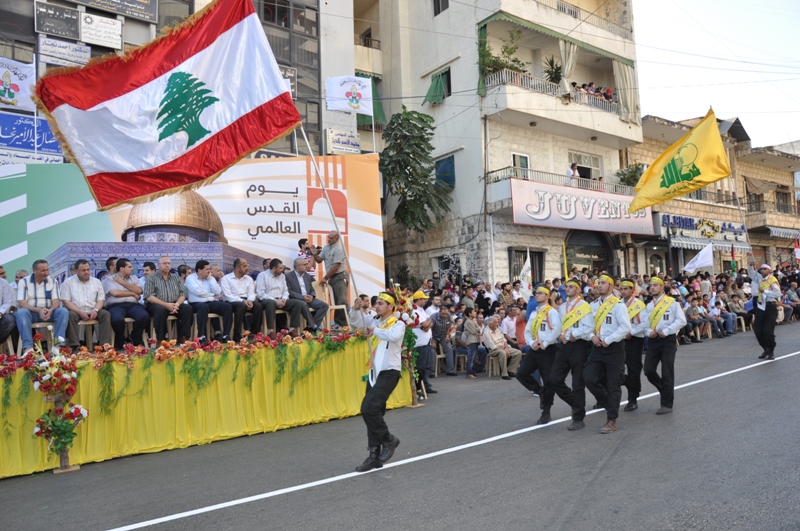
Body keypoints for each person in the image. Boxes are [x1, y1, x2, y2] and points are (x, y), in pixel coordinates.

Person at [356, 291, 405, 473]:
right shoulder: (375, 321)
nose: (377, 306)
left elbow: (391, 336)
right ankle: (374, 456)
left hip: (389, 372)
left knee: (368, 408)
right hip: (374, 373)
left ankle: (389, 439)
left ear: (391, 306)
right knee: (373, 412)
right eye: (376, 303)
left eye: (381, 303)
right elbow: (357, 323)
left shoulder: (398, 324)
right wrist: (355, 310)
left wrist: (374, 330)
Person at [584, 275, 631, 434]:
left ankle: (612, 419)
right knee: (589, 377)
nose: (599, 286)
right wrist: (592, 337)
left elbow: (625, 328)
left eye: (603, 283)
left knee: (613, 384)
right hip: (597, 347)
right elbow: (588, 325)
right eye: (598, 283)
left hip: (614, 348)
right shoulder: (593, 305)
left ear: (611, 286)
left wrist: (609, 340)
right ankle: (607, 402)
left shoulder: (618, 305)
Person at [547, 279, 595, 430]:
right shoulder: (563, 307)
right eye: (566, 287)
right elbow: (562, 325)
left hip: (578, 345)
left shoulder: (584, 306)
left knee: (577, 383)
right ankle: (576, 403)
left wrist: (575, 334)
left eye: (571, 287)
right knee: (554, 379)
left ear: (579, 289)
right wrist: (562, 334)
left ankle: (578, 417)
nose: (567, 289)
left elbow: (589, 327)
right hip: (564, 346)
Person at [643, 277, 687, 415]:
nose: (652, 288)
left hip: (668, 339)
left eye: (655, 285)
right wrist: (649, 332)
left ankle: (666, 404)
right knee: (648, 370)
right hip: (654, 340)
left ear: (662, 287)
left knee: (667, 371)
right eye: (651, 286)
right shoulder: (649, 306)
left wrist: (667, 331)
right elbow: (644, 325)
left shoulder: (671, 303)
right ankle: (664, 388)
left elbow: (682, 320)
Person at [519, 286, 562, 424]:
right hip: (535, 348)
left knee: (548, 380)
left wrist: (546, 342)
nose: (536, 295)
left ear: (547, 296)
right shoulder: (534, 313)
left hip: (547, 349)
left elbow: (557, 329)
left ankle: (546, 412)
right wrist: (531, 342)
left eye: (540, 293)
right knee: (521, 373)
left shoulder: (551, 312)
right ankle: (540, 391)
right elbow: (527, 331)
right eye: (535, 293)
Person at [15, 260, 69, 351]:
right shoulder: (24, 282)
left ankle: (57, 346)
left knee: (63, 311)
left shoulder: (52, 281)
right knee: (21, 312)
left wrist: (51, 310)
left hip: (49, 313)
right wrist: (38, 310)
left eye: (47, 270)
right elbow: (22, 303)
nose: (46, 273)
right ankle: (28, 348)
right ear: (34, 271)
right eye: (43, 271)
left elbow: (56, 301)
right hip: (31, 314)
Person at [61, 259, 113, 351]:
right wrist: (80, 312)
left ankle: (104, 345)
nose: (86, 272)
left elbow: (101, 299)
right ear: (76, 271)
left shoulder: (96, 282)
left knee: (105, 314)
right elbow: (66, 301)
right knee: (70, 315)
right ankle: (75, 346)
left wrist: (95, 310)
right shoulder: (68, 282)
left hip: (93, 309)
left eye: (88, 269)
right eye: (83, 270)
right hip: (76, 310)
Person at [143, 256, 194, 342]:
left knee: (187, 308)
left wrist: (176, 305)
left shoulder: (176, 278)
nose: (167, 265)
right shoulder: (151, 278)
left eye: (169, 263)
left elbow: (183, 293)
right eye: (164, 263)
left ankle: (184, 337)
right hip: (156, 305)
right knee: (160, 310)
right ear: (158, 265)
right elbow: (149, 296)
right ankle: (161, 339)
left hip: (174, 304)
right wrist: (166, 305)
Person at [102, 258, 149, 350]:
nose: (132, 269)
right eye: (129, 267)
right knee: (117, 320)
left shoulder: (134, 278)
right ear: (122, 268)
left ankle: (134, 338)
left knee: (144, 316)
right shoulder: (109, 279)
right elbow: (115, 293)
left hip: (132, 305)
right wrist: (132, 293)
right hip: (116, 305)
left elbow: (139, 290)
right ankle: (120, 341)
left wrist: (122, 282)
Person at [618, 279, 648, 412]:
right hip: (620, 339)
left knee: (633, 369)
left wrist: (631, 332)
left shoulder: (638, 304)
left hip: (635, 339)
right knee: (616, 369)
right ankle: (632, 385)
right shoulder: (617, 304)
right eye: (621, 289)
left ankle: (633, 398)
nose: (623, 291)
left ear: (632, 290)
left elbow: (644, 323)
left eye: (626, 289)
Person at [184, 260, 233, 342]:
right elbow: (198, 292)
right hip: (196, 303)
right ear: (199, 270)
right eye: (207, 269)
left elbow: (218, 291)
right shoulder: (190, 278)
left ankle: (226, 335)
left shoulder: (210, 278)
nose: (209, 271)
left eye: (209, 269)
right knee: (203, 307)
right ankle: (201, 336)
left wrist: (210, 279)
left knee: (227, 306)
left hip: (210, 302)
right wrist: (211, 294)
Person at [220, 259, 264, 341]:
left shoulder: (248, 279)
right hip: (232, 301)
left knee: (258, 306)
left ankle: (256, 333)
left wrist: (250, 300)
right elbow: (227, 295)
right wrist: (242, 301)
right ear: (237, 268)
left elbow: (251, 292)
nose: (247, 268)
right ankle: (237, 334)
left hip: (246, 300)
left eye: (247, 265)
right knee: (241, 305)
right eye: (244, 266)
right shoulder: (226, 278)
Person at [256, 258, 302, 335]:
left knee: (297, 303)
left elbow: (285, 291)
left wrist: (283, 299)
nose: (282, 269)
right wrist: (275, 300)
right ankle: (270, 330)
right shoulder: (262, 275)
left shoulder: (282, 276)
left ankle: (292, 329)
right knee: (271, 303)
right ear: (274, 268)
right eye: (280, 268)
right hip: (267, 300)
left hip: (281, 299)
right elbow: (261, 294)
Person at [312, 230, 349, 326]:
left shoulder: (339, 249)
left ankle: (345, 324)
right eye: (328, 237)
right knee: (335, 301)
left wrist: (325, 277)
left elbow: (336, 266)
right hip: (332, 278)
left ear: (337, 239)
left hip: (339, 276)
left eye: (331, 238)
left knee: (341, 301)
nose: (329, 239)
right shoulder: (326, 247)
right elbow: (319, 260)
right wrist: (314, 254)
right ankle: (338, 323)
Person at [748, 262, 780, 359]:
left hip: (770, 306)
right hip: (760, 306)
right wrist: (750, 266)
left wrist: (764, 291)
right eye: (761, 269)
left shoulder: (773, 281)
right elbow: (751, 273)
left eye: (764, 269)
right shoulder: (760, 279)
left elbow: (777, 294)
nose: (762, 270)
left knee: (768, 331)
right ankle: (765, 348)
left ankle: (771, 350)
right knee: (758, 330)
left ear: (770, 271)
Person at [285, 257, 328, 330]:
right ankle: (313, 327)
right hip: (298, 299)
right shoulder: (288, 276)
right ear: (298, 266)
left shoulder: (307, 276)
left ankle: (311, 327)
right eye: (305, 264)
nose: (307, 266)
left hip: (309, 298)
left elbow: (311, 288)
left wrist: (312, 296)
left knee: (324, 305)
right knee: (303, 304)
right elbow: (289, 292)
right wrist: (302, 297)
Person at [483, 315, 523, 380]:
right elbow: (493, 346)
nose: (497, 324)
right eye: (495, 322)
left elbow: (504, 340)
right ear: (490, 324)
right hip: (493, 350)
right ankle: (504, 374)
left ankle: (511, 370)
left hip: (503, 347)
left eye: (497, 322)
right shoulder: (486, 333)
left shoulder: (497, 329)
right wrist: (504, 350)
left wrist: (506, 348)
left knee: (518, 352)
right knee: (502, 353)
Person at [411, 291, 435, 394]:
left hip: (426, 342)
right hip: (419, 343)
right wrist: (428, 323)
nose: (425, 301)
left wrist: (428, 323)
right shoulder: (414, 311)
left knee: (426, 366)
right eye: (424, 299)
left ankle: (426, 385)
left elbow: (430, 322)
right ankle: (419, 388)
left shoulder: (422, 310)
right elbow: (425, 324)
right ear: (419, 300)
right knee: (419, 367)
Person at [430, 305, 457, 376]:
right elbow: (430, 329)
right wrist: (432, 340)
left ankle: (450, 371)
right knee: (432, 351)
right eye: (443, 314)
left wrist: (447, 336)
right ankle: (432, 372)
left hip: (443, 336)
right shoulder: (433, 317)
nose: (445, 315)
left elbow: (448, 326)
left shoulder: (448, 316)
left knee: (449, 349)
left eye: (446, 313)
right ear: (439, 312)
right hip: (433, 336)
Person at [0, 276, 16, 347]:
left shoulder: (3, 282)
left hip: (2, 313)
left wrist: (1, 312)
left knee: (10, 321)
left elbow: (8, 301)